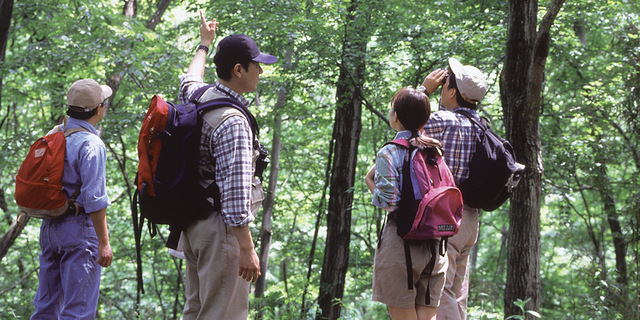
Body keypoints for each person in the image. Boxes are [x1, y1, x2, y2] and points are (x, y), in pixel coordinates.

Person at [177, 11, 277, 320]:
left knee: (197, 311)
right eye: (257, 65)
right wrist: (247, 249)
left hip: (193, 224)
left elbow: (188, 79)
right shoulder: (233, 121)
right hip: (222, 231)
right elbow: (234, 197)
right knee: (224, 314)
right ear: (238, 70)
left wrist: (204, 44)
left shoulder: (201, 95)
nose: (260, 71)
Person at [31, 79, 113, 319]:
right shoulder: (91, 144)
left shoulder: (54, 135)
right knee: (77, 312)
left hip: (49, 226)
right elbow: (95, 199)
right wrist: (103, 243)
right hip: (78, 230)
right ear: (98, 109)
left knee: (45, 308)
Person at [365, 87, 449, 320]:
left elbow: (389, 203)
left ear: (395, 117)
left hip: (402, 242)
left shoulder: (389, 152)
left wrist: (370, 184)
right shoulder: (435, 149)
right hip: (435, 244)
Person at [420, 57, 489, 320]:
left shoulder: (441, 121)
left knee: (439, 291)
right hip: (470, 219)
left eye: (445, 82)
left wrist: (423, 91)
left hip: (444, 216)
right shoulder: (482, 126)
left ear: (452, 92)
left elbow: (399, 124)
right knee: (458, 292)